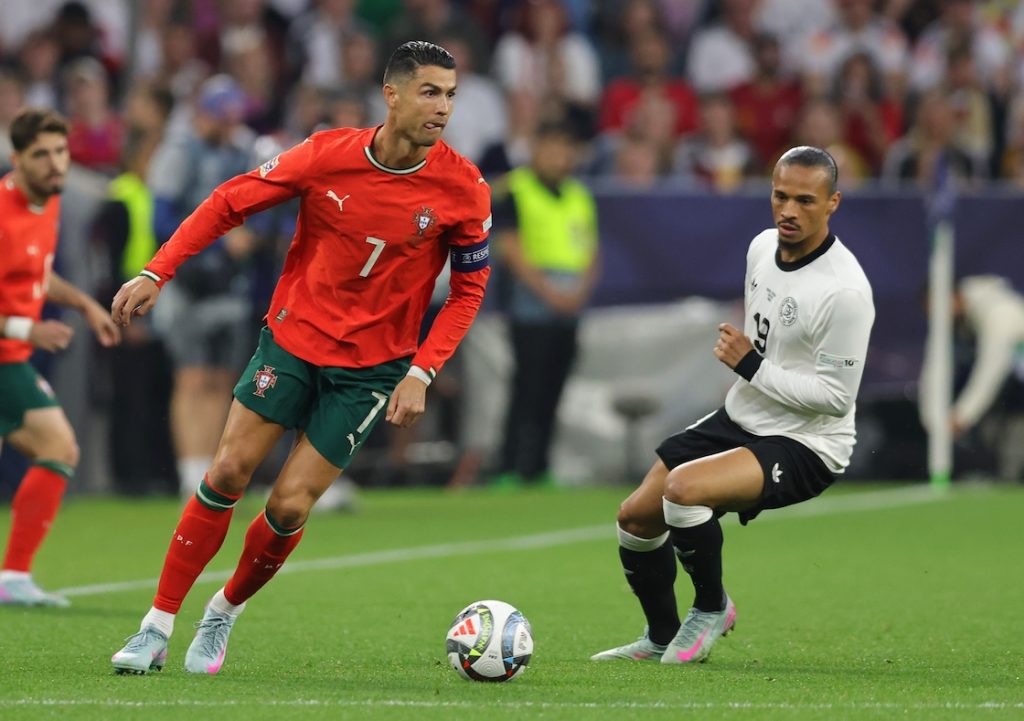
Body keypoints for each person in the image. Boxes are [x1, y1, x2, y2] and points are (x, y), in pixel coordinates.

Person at [109, 41, 491, 675]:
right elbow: (230, 201)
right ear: (391, 95)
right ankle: (156, 625)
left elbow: (470, 290)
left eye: (451, 94)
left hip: (373, 369)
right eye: (429, 92)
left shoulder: (463, 187)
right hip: (293, 340)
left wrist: (423, 370)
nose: (442, 107)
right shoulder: (326, 155)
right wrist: (158, 270)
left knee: (288, 506)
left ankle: (222, 613)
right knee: (228, 470)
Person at [591, 146, 874, 664]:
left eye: (805, 201)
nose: (788, 211)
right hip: (743, 414)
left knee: (684, 490)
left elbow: (837, 400)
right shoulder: (761, 247)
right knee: (635, 519)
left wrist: (752, 367)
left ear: (833, 202)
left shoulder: (845, 292)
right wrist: (754, 374)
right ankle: (659, 636)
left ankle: (711, 607)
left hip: (808, 441)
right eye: (780, 195)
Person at [0, 108, 121, 606]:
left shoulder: (47, 204)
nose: (55, 164)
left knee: (59, 448)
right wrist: (28, 326)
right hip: (10, 351)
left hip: (9, 360)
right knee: (60, 447)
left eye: (60, 152)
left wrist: (86, 305)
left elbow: (37, 276)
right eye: (41, 155)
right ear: (17, 159)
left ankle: (13, 579)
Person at [492, 121, 600, 488]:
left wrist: (580, 292)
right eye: (553, 147)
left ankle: (539, 467)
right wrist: (549, 292)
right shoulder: (515, 189)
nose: (560, 157)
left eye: (567, 149)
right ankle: (509, 466)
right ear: (537, 149)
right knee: (527, 387)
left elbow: (592, 248)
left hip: (569, 305)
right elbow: (511, 248)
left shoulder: (578, 194)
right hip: (531, 304)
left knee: (555, 388)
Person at [920, 275, 1024, 480]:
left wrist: (962, 416)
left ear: (957, 297)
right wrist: (932, 417)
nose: (935, 315)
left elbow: (992, 368)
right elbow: (935, 368)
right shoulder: (952, 316)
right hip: (1011, 391)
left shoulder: (999, 312)